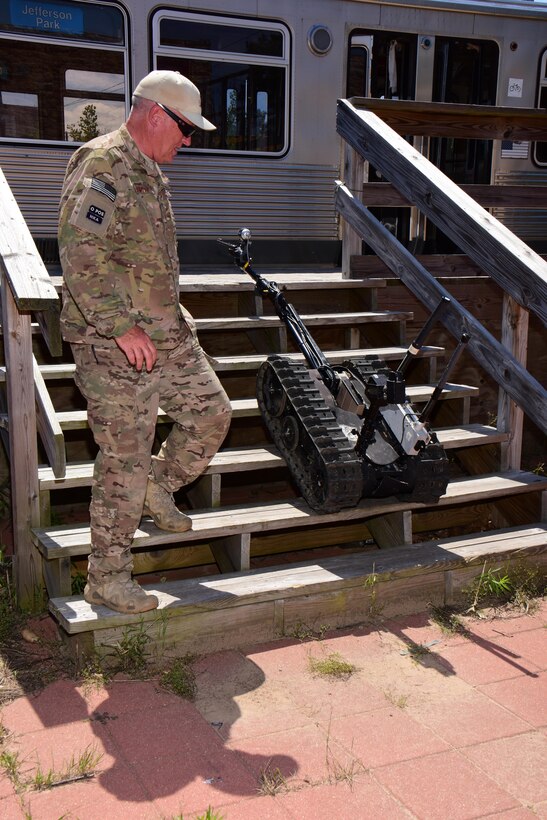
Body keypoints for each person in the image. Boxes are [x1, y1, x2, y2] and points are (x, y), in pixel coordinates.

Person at [58, 71, 232, 614]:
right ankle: (107, 576)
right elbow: (80, 253)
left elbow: (143, 260)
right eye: (185, 129)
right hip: (113, 345)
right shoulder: (103, 164)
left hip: (164, 336)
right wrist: (118, 325)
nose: (188, 140)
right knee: (123, 458)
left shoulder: (151, 170)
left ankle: (162, 484)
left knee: (212, 414)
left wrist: (169, 316)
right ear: (156, 114)